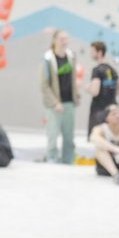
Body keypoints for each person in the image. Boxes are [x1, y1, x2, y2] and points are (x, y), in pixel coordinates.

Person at [40, 29, 79, 164]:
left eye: (66, 39)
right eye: (61, 39)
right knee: (52, 135)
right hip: (54, 104)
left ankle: (68, 161)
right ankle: (51, 160)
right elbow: (44, 84)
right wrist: (55, 102)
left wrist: (76, 95)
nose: (64, 42)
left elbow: (73, 79)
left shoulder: (71, 56)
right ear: (55, 40)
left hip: (69, 102)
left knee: (69, 137)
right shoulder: (48, 58)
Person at [86, 40, 119, 137]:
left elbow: (95, 92)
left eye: (93, 51)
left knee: (97, 138)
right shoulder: (112, 70)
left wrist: (88, 88)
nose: (90, 54)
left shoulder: (97, 70)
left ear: (100, 52)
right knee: (111, 137)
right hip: (112, 110)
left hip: (99, 111)